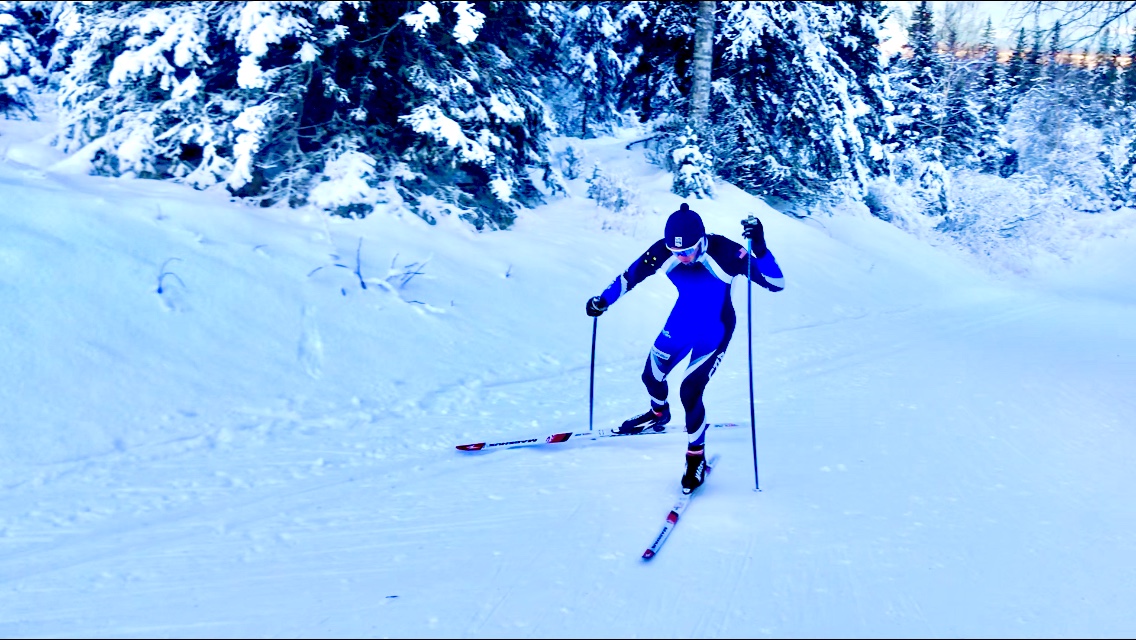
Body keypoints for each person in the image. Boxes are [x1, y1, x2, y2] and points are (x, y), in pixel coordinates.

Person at [585, 203, 784, 493]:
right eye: (676, 252)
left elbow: (776, 283)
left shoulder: (726, 252)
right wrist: (603, 301)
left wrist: (761, 249)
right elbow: (630, 276)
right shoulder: (663, 251)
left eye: (688, 250)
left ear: (701, 239)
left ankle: (695, 458)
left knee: (689, 391)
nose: (682, 258)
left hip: (715, 328)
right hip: (682, 321)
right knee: (651, 377)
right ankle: (658, 414)